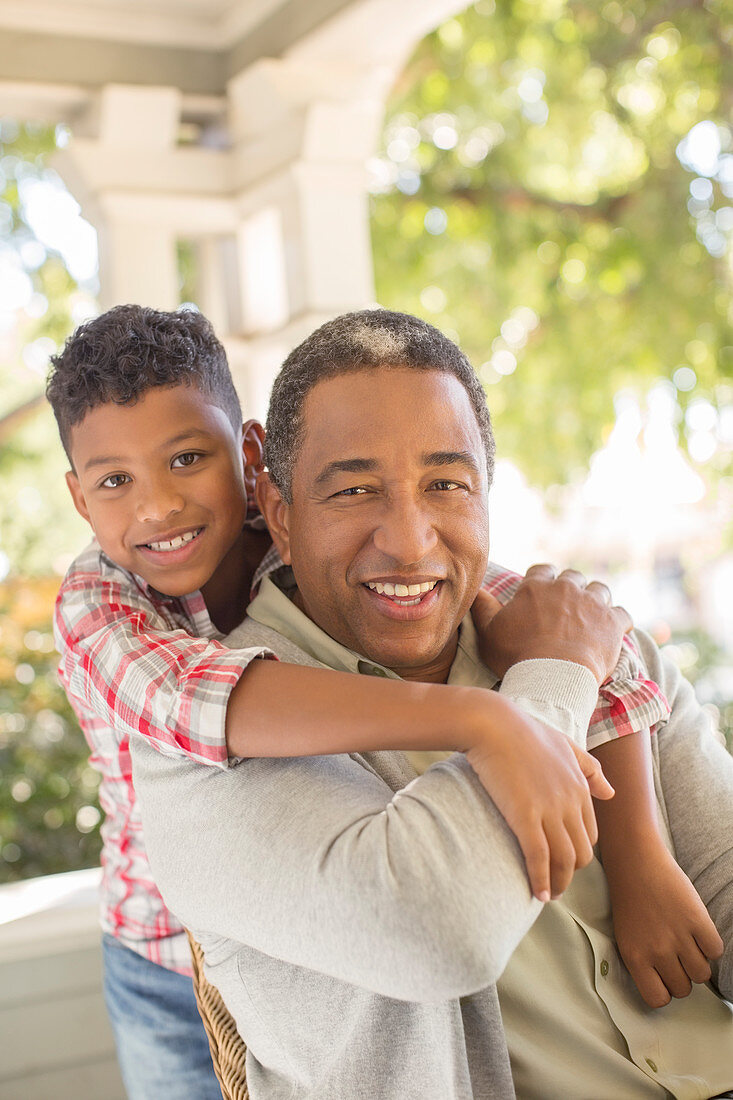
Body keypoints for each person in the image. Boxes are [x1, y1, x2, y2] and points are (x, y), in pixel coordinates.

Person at [47, 304, 656, 1098]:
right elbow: (205, 703)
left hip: (314, 931)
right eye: (115, 481)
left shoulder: (313, 520)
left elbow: (572, 632)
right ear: (77, 497)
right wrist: (483, 717)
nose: (160, 507)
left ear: (254, 458)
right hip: (163, 954)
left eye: (189, 458)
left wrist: (640, 857)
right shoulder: (96, 602)